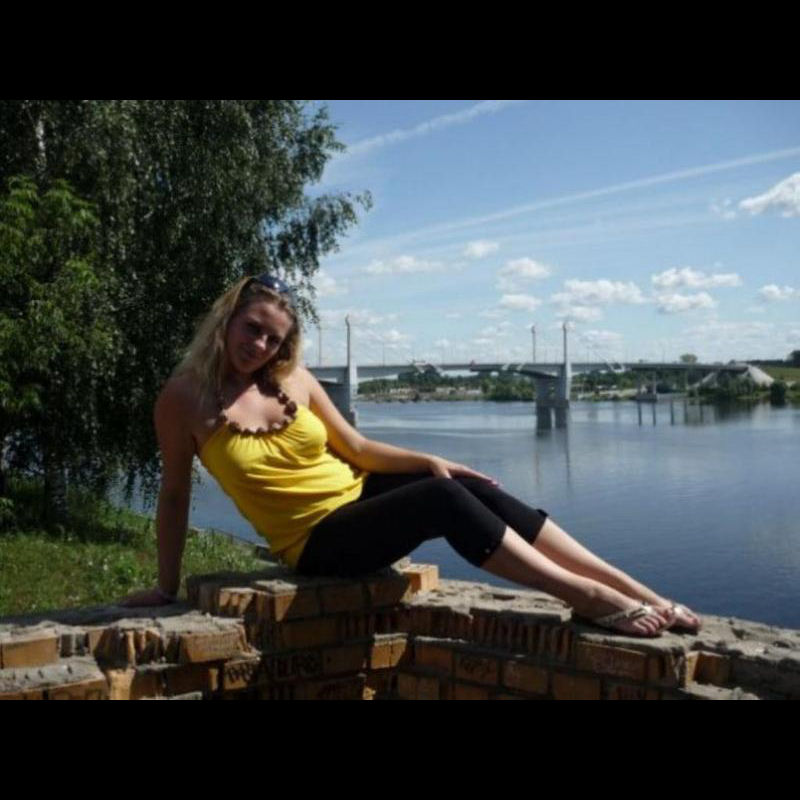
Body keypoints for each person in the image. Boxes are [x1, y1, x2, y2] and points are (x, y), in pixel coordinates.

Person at [122, 273, 701, 637]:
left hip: (360, 498)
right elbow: (173, 495)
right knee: (441, 500)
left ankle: (638, 592)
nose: (260, 346)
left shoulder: (293, 379)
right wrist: (167, 588)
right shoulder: (182, 399)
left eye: (273, 338)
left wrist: (430, 461)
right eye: (252, 329)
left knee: (466, 485)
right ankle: (585, 597)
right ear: (226, 321)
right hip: (315, 542)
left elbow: (356, 449)